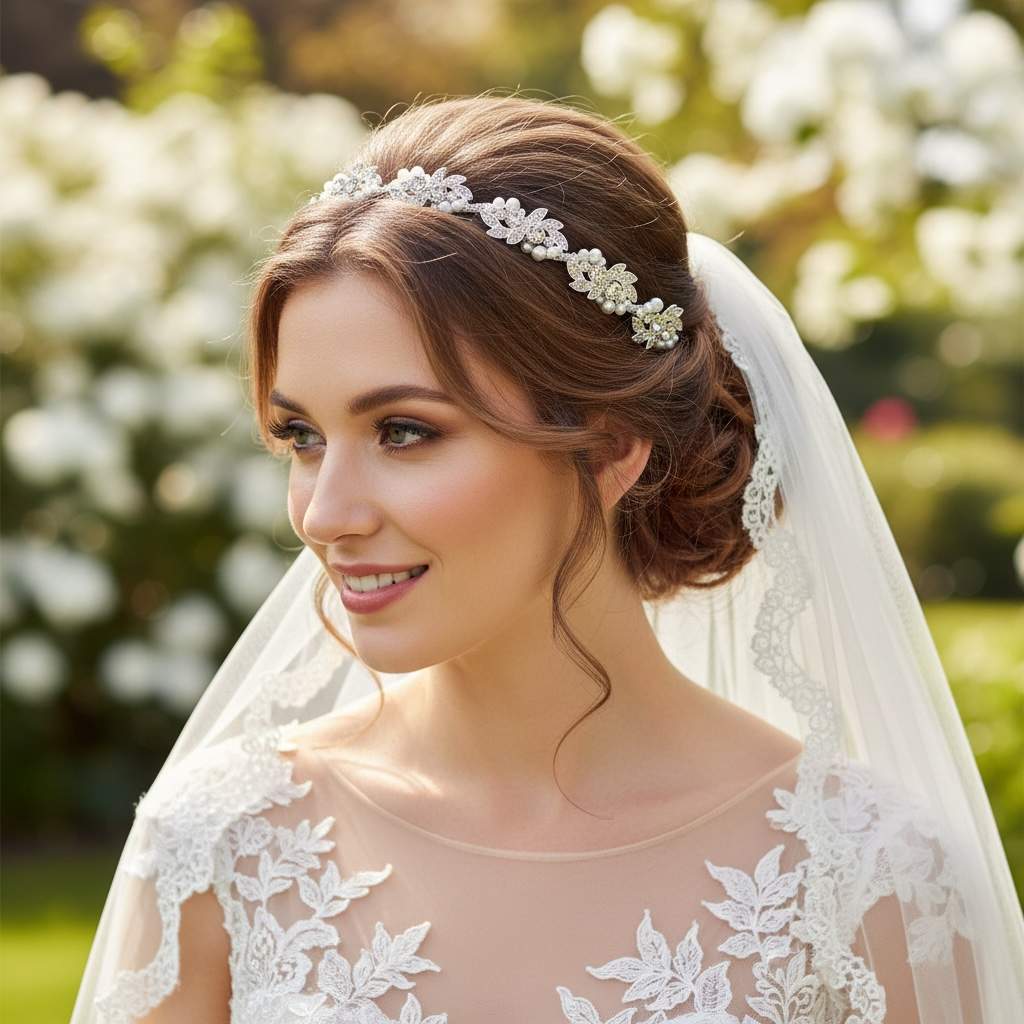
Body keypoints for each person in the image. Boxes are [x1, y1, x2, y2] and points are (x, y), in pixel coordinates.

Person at [73, 97, 1022, 1024]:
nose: (325, 514)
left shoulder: (867, 881)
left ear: (611, 446)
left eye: (403, 432)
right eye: (302, 436)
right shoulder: (222, 843)